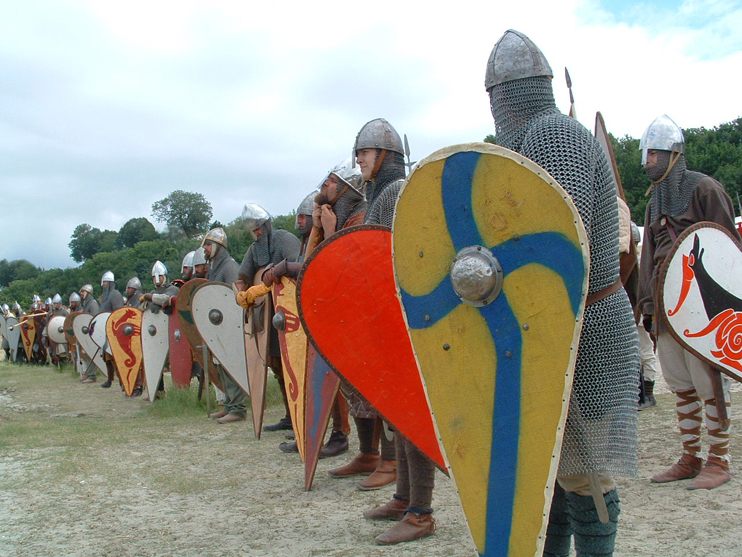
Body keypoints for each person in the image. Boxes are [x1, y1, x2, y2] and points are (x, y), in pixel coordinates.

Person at [486, 30, 639, 556]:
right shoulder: (529, 143)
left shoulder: (556, 138)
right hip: (552, 326)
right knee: (548, 473)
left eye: (494, 98)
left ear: (505, 95)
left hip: (586, 324)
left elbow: (553, 249)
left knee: (585, 471)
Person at [638, 114, 739, 490]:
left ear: (672, 154)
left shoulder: (703, 189)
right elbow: (649, 256)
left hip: (702, 306)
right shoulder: (653, 204)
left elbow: (727, 250)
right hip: (666, 308)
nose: (647, 161)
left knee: (708, 381)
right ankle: (691, 456)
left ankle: (719, 459)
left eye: (653, 154)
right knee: (680, 383)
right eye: (645, 154)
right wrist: (647, 306)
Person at [237, 204, 301, 432]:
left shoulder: (284, 239)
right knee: (277, 367)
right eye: (254, 231)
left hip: (289, 314)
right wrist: (241, 295)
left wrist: (270, 278)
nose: (258, 234)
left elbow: (296, 270)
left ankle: (299, 415)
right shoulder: (254, 250)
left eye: (259, 229)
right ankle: (288, 415)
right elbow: (242, 277)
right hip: (269, 318)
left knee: (292, 366)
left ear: (265, 225)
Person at [201, 228, 246, 424]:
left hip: (230, 325)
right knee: (222, 368)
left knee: (231, 366)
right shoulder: (214, 267)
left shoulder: (229, 267)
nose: (206, 249)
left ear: (218, 246)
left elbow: (234, 296)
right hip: (219, 325)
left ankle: (238, 408)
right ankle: (229, 405)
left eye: (208, 245)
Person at [99, 271, 125, 389]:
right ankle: (110, 380)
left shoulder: (115, 295)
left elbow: (118, 313)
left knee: (115, 358)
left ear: (110, 283)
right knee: (106, 357)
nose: (103, 284)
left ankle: (123, 382)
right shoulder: (105, 297)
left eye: (105, 282)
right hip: (104, 330)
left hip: (113, 329)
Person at [79, 284, 101, 383]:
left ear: (88, 293)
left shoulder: (92, 304)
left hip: (92, 333)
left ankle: (92, 376)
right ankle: (88, 374)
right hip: (87, 333)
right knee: (87, 354)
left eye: (83, 291)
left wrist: (92, 333)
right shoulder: (87, 304)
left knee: (91, 354)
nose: (81, 293)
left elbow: (95, 319)